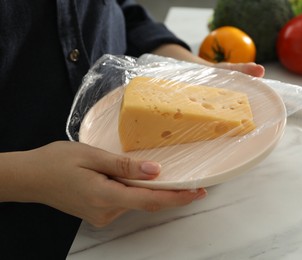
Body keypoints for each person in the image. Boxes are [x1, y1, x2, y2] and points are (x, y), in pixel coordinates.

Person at [0, 1, 265, 258]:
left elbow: (116, 9)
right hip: (25, 228)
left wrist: (187, 69)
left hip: (147, 225)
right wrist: (28, 178)